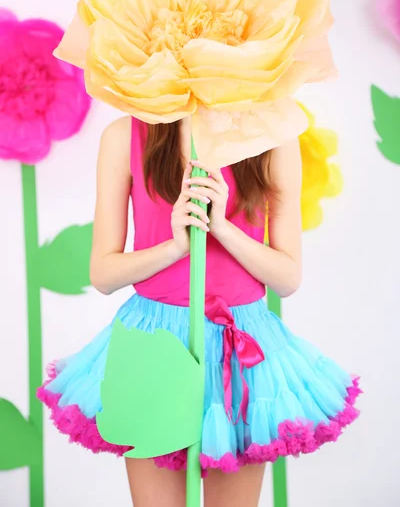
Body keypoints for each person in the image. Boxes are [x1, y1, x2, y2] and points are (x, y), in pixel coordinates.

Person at [37, 114, 360, 507]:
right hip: (152, 344)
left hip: (238, 348)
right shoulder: (125, 136)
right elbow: (103, 274)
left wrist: (223, 228)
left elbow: (287, 278)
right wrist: (174, 246)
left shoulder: (274, 137)